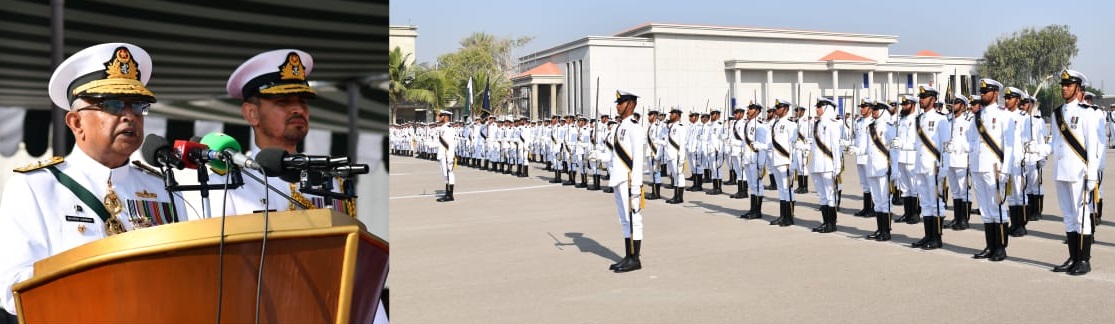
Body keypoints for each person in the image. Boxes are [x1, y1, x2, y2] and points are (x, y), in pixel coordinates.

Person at [0, 43, 188, 318]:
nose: (129, 116)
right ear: (76, 123)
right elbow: (12, 286)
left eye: (137, 106)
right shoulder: (37, 186)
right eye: (111, 105)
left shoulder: (163, 188)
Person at [217, 49, 387, 322]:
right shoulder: (227, 182)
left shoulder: (332, 180)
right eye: (283, 101)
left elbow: (352, 269)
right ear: (252, 114)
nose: (298, 109)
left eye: (303, 102)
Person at [1050, 70, 1101, 275]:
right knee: (1069, 217)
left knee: (1082, 218)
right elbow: (1055, 143)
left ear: (1078, 89)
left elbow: (1093, 147)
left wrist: (1091, 175)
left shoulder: (1086, 113)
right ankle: (1073, 257)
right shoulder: (1056, 114)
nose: (1064, 88)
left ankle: (1084, 260)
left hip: (1079, 173)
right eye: (1063, 84)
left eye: (1069, 85)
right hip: (1061, 171)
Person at [969, 78, 1014, 262]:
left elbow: (1009, 146)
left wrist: (1005, 169)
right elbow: (971, 141)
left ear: (995, 93)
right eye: (981, 91)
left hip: (994, 168)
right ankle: (990, 246)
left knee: (997, 208)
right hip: (978, 166)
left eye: (986, 91)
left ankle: (1001, 247)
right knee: (985, 210)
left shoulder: (1004, 115)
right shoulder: (977, 117)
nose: (982, 94)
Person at [608, 90, 647, 273]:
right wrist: (598, 155)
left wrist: (637, 186)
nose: (617, 105)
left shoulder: (634, 127)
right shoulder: (618, 127)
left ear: (630, 104)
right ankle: (628, 255)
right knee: (624, 219)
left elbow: (638, 159)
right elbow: (614, 154)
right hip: (618, 178)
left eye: (620, 102)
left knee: (634, 219)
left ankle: (635, 259)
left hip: (629, 179)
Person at [910, 86, 949, 249]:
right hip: (920, 166)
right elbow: (917, 144)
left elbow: (945, 145)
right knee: (925, 203)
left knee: (935, 203)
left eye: (924, 97)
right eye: (920, 97)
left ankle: (936, 237)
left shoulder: (941, 119)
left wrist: (944, 168)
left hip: (934, 167)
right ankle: (928, 235)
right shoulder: (918, 119)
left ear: (933, 99)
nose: (921, 100)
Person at [809, 98, 843, 233]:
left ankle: (832, 224)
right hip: (816, 164)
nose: (817, 109)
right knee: (822, 196)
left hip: (828, 164)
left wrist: (837, 165)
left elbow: (835, 147)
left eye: (819, 106)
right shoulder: (816, 124)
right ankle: (825, 222)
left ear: (827, 107)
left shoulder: (832, 124)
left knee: (830, 196)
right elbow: (814, 145)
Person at [865, 101, 896, 241]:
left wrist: (894, 169)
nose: (873, 111)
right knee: (877, 200)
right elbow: (867, 148)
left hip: (883, 167)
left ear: (883, 111)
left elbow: (894, 150)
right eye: (873, 109)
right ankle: (879, 229)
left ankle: (886, 231)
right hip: (872, 167)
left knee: (885, 200)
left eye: (876, 109)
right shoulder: (870, 127)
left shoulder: (889, 128)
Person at [944, 95, 974, 230]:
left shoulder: (968, 123)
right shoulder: (949, 121)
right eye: (953, 102)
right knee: (955, 192)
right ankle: (956, 218)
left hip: (962, 161)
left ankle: (964, 219)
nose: (953, 105)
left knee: (964, 192)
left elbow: (971, 144)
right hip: (950, 161)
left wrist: (958, 147)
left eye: (956, 103)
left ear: (963, 106)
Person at [768, 99, 798, 227]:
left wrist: (793, 163)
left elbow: (794, 145)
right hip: (776, 160)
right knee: (781, 190)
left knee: (788, 190)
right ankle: (782, 215)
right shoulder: (776, 123)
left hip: (786, 161)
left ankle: (789, 217)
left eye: (779, 108)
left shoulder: (790, 124)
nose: (776, 110)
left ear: (785, 109)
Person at [739, 102, 769, 219]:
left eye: (751, 109)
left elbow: (762, 145)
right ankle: (752, 209)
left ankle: (757, 211)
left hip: (755, 160)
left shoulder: (760, 125)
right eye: (748, 108)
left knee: (757, 185)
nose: (748, 111)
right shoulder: (748, 124)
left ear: (757, 111)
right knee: (752, 185)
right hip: (747, 158)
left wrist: (761, 163)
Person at [852, 99, 875, 217]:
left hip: (868, 157)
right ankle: (866, 208)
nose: (861, 109)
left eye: (863, 107)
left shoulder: (872, 122)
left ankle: (873, 208)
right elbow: (857, 138)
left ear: (870, 109)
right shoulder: (859, 121)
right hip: (859, 157)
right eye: (860, 107)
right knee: (864, 184)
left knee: (871, 183)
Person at [664, 109, 688, 204]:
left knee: (679, 176)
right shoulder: (671, 127)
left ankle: (679, 197)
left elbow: (682, 144)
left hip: (676, 155)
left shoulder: (680, 127)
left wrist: (682, 157)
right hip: (670, 155)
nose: (670, 115)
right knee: (675, 176)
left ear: (677, 115)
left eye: (673, 114)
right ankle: (675, 195)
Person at [434, 111, 457, 202]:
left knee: (449, 174)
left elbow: (450, 144)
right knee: (445, 175)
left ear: (445, 117)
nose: (438, 117)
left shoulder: (449, 128)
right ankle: (447, 194)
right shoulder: (442, 127)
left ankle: (449, 195)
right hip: (442, 155)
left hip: (447, 155)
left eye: (440, 116)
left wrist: (449, 157)